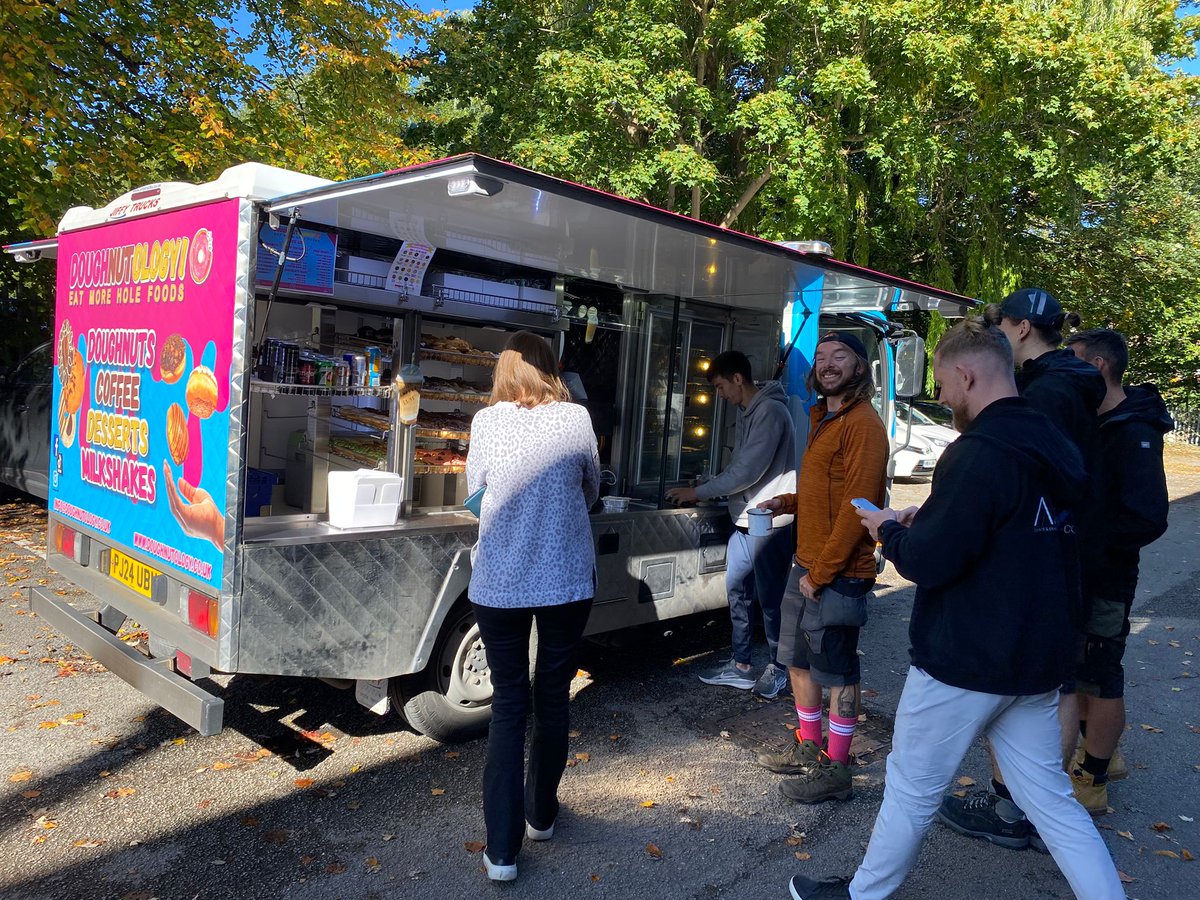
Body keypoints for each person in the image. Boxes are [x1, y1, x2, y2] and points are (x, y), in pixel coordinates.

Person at [788, 316, 1125, 900]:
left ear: (967, 376)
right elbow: (1011, 530)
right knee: (1050, 800)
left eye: (943, 387)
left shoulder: (977, 451)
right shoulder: (1055, 442)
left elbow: (929, 561)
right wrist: (927, 520)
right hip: (1037, 655)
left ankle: (862, 894)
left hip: (966, 656)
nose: (942, 400)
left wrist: (888, 531)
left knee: (911, 787)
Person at [937, 287, 1106, 847]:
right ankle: (1023, 803)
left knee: (1046, 687)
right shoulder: (1069, 383)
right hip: (1060, 547)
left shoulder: (1048, 392)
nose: (1000, 335)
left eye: (1002, 325)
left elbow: (1033, 477)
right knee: (1046, 684)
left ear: (1023, 328)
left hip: (1043, 552)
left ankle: (1019, 810)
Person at [465, 331, 600, 882]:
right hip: (566, 579)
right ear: (552, 369)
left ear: (504, 371)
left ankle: (501, 852)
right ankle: (541, 815)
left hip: (499, 583)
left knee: (508, 707)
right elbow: (589, 489)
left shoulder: (484, 422)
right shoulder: (577, 420)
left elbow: (477, 492)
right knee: (553, 696)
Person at [754, 332, 889, 803]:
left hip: (838, 573)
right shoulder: (824, 416)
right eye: (821, 357)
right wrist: (787, 501)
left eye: (840, 357)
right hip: (806, 564)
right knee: (797, 660)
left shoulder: (863, 425)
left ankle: (837, 769)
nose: (828, 364)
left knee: (838, 670)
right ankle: (808, 747)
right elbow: (826, 490)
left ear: (860, 367)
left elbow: (859, 508)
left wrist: (822, 574)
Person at [1061, 328, 1172, 812]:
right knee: (1084, 672)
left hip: (1106, 578)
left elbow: (1148, 516)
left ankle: (1093, 779)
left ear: (1100, 366)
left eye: (1074, 362)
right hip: (1082, 572)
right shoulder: (1097, 421)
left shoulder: (1134, 431)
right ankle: (1103, 752)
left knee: (1101, 677)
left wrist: (1092, 544)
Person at [667, 350, 797, 699]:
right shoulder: (748, 411)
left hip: (769, 520)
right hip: (744, 518)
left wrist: (699, 491)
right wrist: (709, 485)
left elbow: (747, 471)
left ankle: (779, 668)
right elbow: (739, 468)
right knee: (737, 590)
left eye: (722, 386)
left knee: (770, 600)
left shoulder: (770, 411)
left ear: (738, 379)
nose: (720, 395)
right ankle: (740, 666)